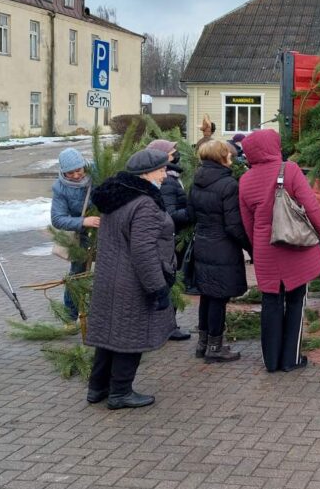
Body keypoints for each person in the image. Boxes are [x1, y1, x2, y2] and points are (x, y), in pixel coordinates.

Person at [85, 149, 177, 409]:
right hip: (132, 281)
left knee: (110, 336)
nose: (165, 175)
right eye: (161, 170)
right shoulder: (144, 203)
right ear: (145, 173)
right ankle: (120, 392)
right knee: (131, 336)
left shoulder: (118, 196)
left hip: (109, 276)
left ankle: (97, 388)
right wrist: (157, 288)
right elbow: (143, 250)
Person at [238, 129, 320, 372]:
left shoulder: (245, 180)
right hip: (293, 246)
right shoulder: (289, 170)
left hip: (265, 249)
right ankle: (291, 359)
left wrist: (257, 247)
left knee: (271, 301)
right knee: (296, 301)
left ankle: (271, 361)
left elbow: (247, 223)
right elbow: (310, 205)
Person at [188, 139, 251, 362]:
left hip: (203, 243)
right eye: (228, 153)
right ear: (221, 157)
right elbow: (233, 225)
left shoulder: (196, 181)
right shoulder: (228, 185)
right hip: (222, 248)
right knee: (218, 298)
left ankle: (203, 344)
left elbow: (191, 215)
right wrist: (251, 247)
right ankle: (215, 348)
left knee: (207, 295)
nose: (231, 156)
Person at [147, 139, 192, 341]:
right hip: (170, 241)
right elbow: (169, 214)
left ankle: (166, 325)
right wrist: (192, 212)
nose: (176, 153)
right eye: (172, 151)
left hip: (174, 239)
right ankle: (167, 327)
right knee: (168, 281)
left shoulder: (172, 177)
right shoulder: (167, 182)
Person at [50, 147, 100, 321]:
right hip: (82, 236)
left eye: (78, 170)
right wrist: (83, 222)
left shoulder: (98, 172)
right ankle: (70, 316)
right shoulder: (60, 188)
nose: (76, 175)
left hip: (105, 232)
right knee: (77, 275)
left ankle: (100, 315)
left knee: (106, 272)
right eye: (70, 173)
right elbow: (57, 219)